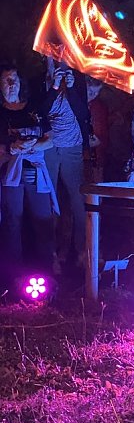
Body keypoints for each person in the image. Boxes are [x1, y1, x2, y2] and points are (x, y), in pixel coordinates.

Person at [0, 66, 58, 283]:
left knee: (43, 219)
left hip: (36, 172)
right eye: (6, 80)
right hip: (10, 174)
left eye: (13, 78)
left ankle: (46, 274)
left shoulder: (34, 109)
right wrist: (11, 147)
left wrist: (35, 144)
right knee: (13, 221)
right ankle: (13, 275)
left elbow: (50, 139)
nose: (11, 83)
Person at [39, 58, 90, 269]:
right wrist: (53, 87)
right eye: (54, 58)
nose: (59, 63)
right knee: (50, 199)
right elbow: (39, 111)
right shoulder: (39, 81)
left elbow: (83, 113)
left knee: (78, 200)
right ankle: (51, 254)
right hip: (48, 146)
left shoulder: (77, 80)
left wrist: (71, 88)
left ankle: (81, 251)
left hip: (72, 146)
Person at [86, 77, 109, 183]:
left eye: (96, 93)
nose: (93, 95)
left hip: (96, 157)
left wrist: (99, 141)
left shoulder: (99, 107)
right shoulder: (74, 104)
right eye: (90, 91)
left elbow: (103, 132)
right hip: (79, 156)